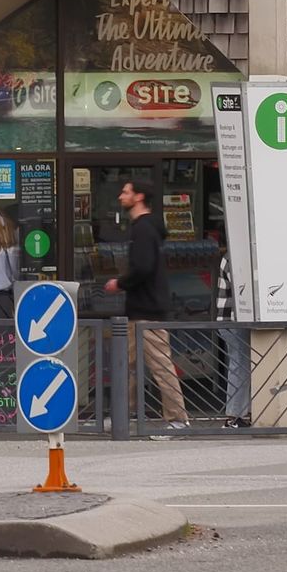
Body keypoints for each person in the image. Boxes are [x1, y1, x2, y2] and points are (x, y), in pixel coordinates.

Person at [105, 178, 189, 428]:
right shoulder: (144, 228)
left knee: (160, 366)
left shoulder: (143, 229)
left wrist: (119, 283)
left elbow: (143, 266)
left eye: (126, 192)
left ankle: (178, 418)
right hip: (139, 310)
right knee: (124, 364)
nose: (121, 196)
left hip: (147, 311)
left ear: (138, 197)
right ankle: (122, 414)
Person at [215, 243, 250, 427]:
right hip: (232, 319)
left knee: (240, 364)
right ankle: (235, 415)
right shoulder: (234, 258)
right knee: (240, 364)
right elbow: (243, 288)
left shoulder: (231, 256)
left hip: (229, 319)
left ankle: (240, 414)